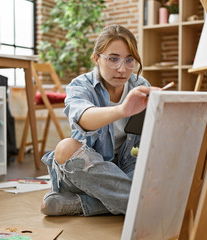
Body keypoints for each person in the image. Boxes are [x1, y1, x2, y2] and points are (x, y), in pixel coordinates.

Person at [40, 24, 159, 216]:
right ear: (96, 58)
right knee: (65, 147)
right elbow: (83, 118)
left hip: (124, 169)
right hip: (88, 173)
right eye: (113, 59)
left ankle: (84, 204)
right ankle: (151, 205)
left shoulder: (140, 85)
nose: (122, 69)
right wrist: (121, 110)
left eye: (129, 60)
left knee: (158, 165)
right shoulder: (80, 85)